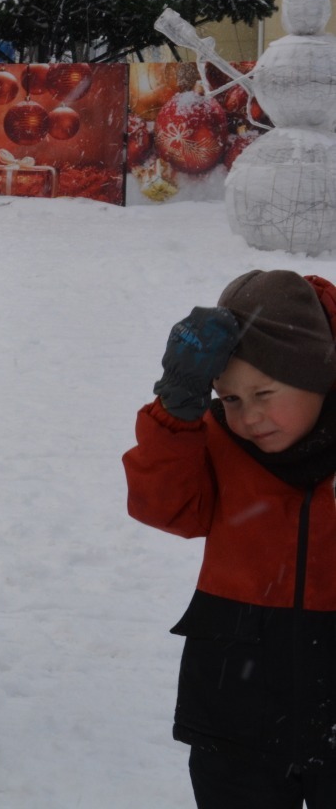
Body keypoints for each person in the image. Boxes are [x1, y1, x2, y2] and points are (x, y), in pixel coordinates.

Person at [125, 270, 336, 808]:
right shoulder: (216, 439)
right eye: (231, 397)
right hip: (235, 704)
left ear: (318, 375)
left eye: (265, 393)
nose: (250, 416)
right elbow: (164, 506)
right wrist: (177, 410)